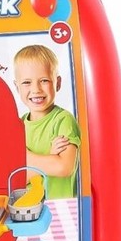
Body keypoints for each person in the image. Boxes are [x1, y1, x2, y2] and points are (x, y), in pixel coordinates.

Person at [13, 45, 81, 199]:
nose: (36, 89)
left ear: (57, 83)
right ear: (17, 87)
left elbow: (63, 167)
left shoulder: (63, 120)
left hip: (60, 206)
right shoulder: (17, 126)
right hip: (26, 206)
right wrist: (50, 156)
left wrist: (27, 158)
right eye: (26, 82)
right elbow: (17, 179)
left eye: (44, 80)